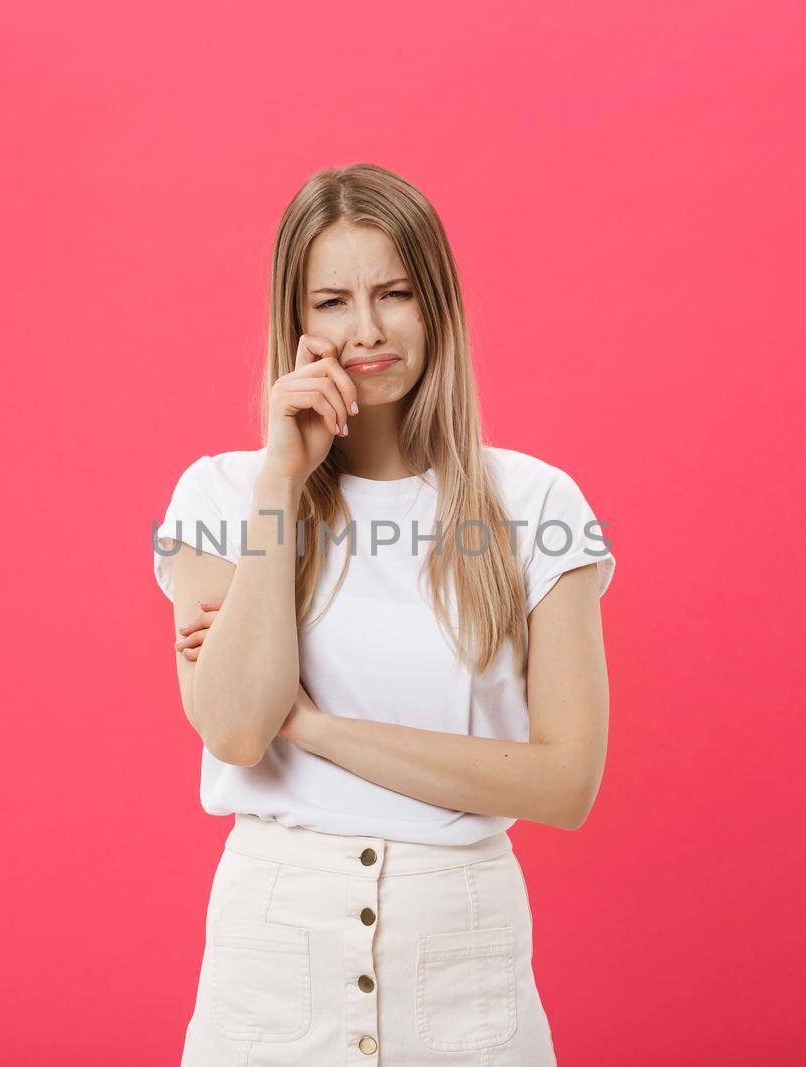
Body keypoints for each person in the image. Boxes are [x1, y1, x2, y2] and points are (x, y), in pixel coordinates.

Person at [152, 163, 615, 1065]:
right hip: (274, 957)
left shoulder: (536, 503)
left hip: (463, 960)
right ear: (296, 318)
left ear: (436, 304)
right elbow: (239, 730)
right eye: (332, 301)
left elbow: (565, 783)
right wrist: (282, 478)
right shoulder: (219, 494)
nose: (366, 330)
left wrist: (316, 726)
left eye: (396, 292)